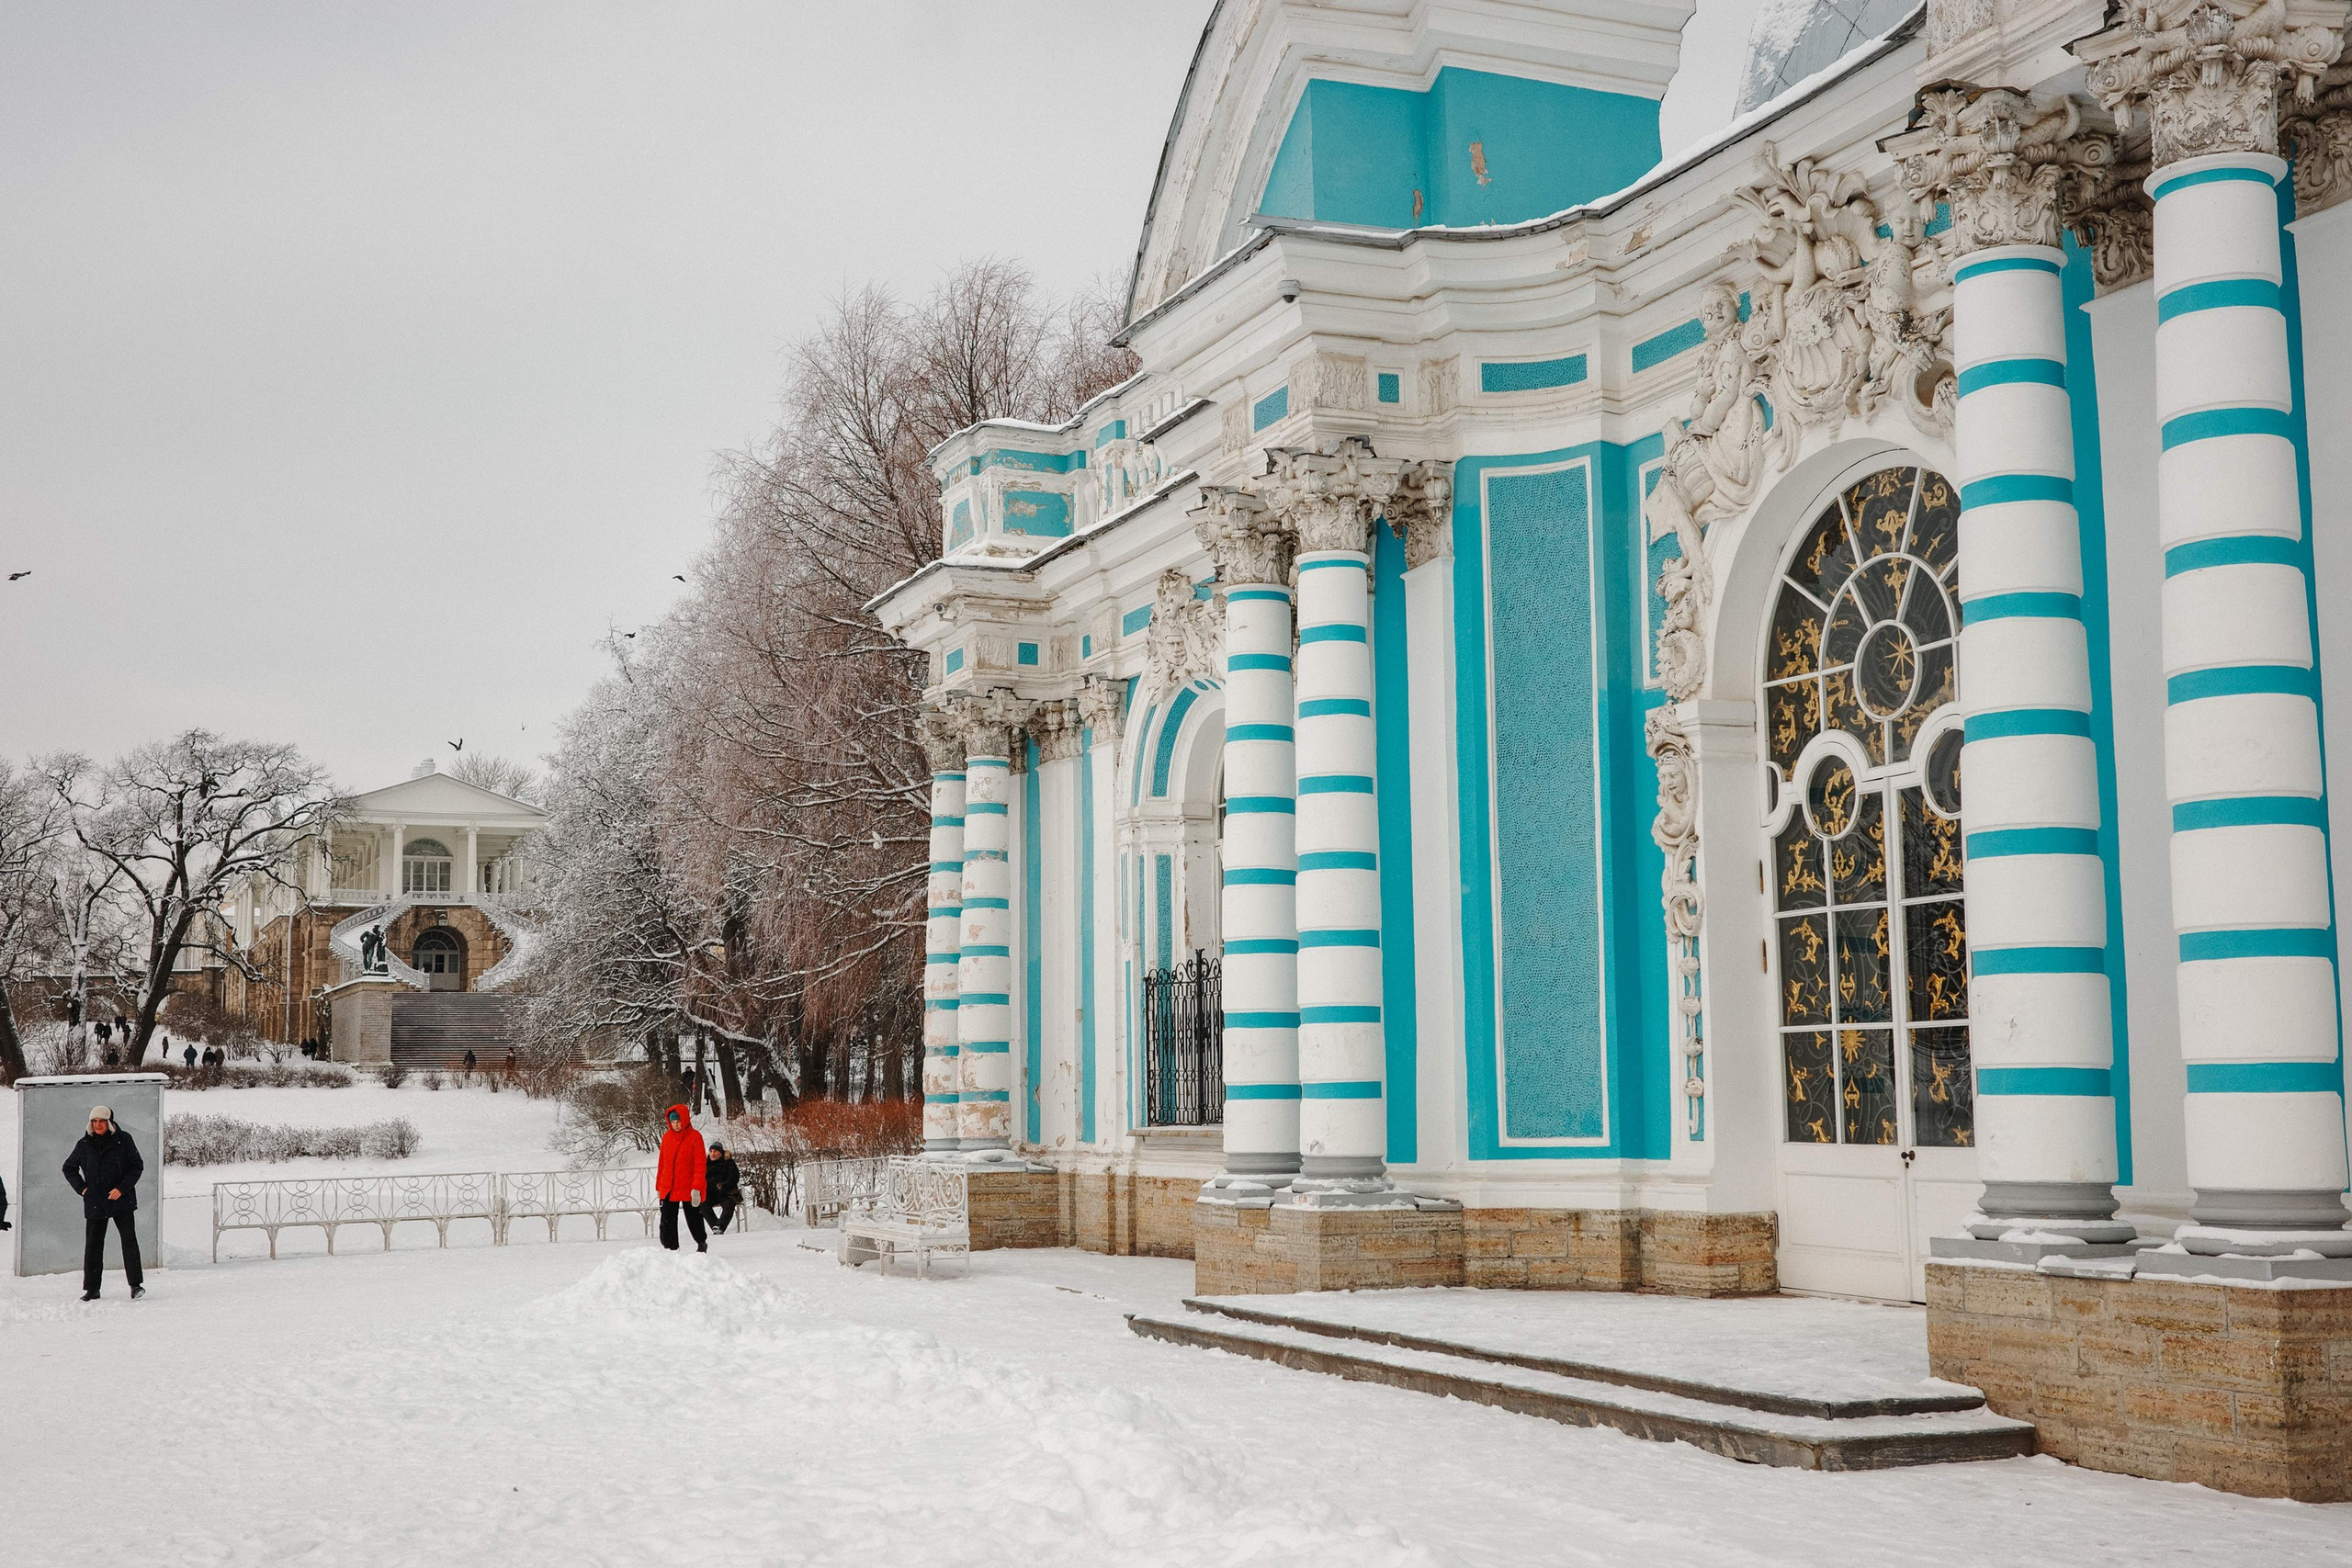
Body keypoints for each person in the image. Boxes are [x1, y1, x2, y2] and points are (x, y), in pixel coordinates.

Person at [62, 1105, 144, 1301]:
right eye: (94, 1121)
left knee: (129, 1242)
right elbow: (68, 1168)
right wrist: (83, 1190)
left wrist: (122, 1188)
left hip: (121, 1201)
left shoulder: (124, 1140)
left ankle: (136, 1285)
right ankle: (92, 1289)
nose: (98, 1125)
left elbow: (136, 1166)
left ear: (109, 1122)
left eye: (101, 1121)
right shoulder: (83, 1144)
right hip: (95, 1202)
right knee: (93, 1246)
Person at [654, 1103, 707, 1253]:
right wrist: (659, 1186)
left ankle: (701, 1243)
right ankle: (670, 1247)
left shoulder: (695, 1137)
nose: (676, 1125)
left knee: (693, 1217)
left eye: (678, 1122)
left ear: (684, 1120)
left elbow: (700, 1165)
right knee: (667, 1218)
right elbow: (662, 1163)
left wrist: (697, 1187)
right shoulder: (667, 1137)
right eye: (673, 1122)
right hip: (669, 1186)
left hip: (688, 1186)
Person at [704, 1140, 741, 1235]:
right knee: (703, 1205)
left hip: (726, 1192)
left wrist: (724, 1185)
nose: (713, 1154)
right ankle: (715, 1226)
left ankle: (720, 1226)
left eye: (715, 1151)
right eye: (711, 1151)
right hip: (710, 1193)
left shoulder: (728, 1163)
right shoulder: (705, 1164)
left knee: (729, 1205)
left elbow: (734, 1177)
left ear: (721, 1153)